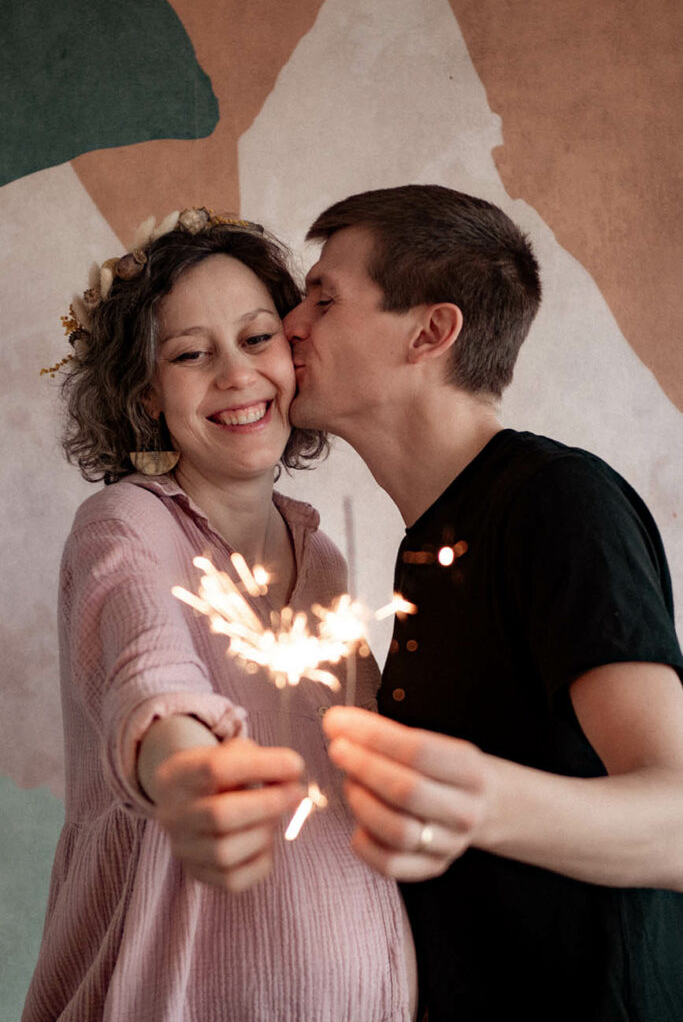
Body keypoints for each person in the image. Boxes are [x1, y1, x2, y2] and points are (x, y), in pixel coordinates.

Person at [283, 184, 683, 1021]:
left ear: (430, 332)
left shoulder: (558, 503)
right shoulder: (430, 538)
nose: (290, 324)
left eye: (323, 297)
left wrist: (478, 801)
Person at [24, 209, 415, 1022]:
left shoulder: (323, 555)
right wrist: (187, 778)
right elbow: (149, 678)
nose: (236, 374)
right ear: (144, 393)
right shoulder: (127, 525)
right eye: (191, 354)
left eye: (257, 339)